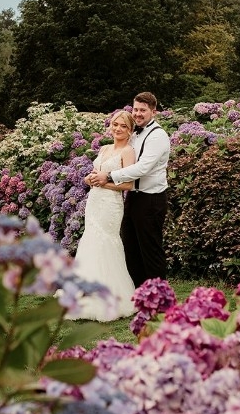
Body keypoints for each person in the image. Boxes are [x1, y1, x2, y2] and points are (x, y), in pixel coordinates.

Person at [90, 91, 170, 287]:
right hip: (133, 197)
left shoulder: (157, 136)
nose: (138, 113)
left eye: (143, 110)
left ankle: (160, 297)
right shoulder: (135, 135)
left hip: (151, 199)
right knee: (131, 248)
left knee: (150, 249)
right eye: (135, 109)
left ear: (154, 112)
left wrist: (108, 176)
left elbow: (142, 168)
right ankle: (139, 293)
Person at [68, 110, 137, 321]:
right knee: (90, 240)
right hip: (94, 201)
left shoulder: (128, 151)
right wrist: (90, 179)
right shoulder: (105, 148)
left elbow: (129, 184)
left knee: (107, 242)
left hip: (111, 204)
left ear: (130, 130)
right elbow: (94, 174)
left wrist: (104, 183)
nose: (118, 129)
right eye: (116, 124)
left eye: (123, 126)